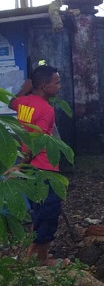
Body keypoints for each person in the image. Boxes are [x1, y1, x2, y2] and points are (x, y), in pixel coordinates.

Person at [10, 65, 69, 267]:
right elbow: (37, 142)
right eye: (57, 82)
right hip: (43, 169)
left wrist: (25, 88)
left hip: (29, 170)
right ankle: (42, 259)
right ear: (44, 86)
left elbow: (11, 102)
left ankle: (30, 256)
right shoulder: (46, 110)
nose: (59, 86)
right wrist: (21, 166)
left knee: (39, 212)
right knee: (49, 213)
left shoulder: (23, 103)